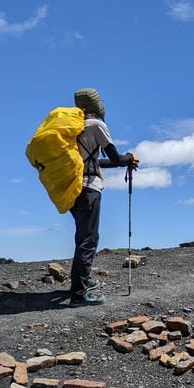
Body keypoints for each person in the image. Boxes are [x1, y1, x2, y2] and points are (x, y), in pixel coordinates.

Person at [69, 87, 138, 305]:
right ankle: (79, 294)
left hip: (72, 188)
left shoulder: (74, 127)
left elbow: (94, 163)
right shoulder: (97, 125)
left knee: (84, 237)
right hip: (90, 188)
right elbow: (115, 158)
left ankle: (82, 282)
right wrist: (130, 158)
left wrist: (124, 161)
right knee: (88, 240)